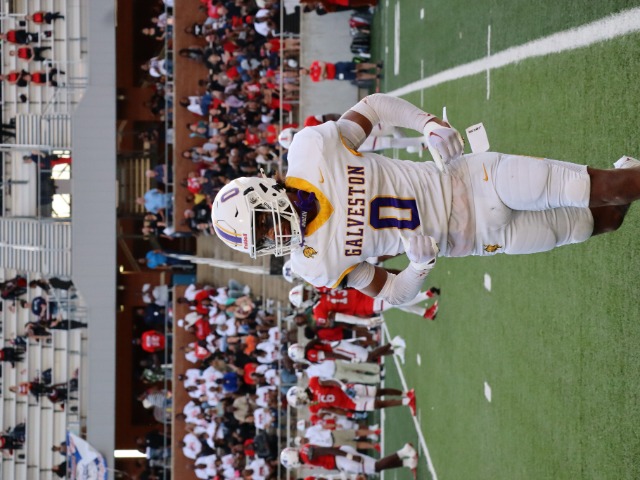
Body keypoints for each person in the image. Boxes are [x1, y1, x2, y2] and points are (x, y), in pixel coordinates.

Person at [211, 93, 640, 305]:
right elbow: (393, 293)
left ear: (262, 191)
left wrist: (428, 124)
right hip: (477, 240)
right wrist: (418, 268)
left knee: (594, 189)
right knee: (600, 221)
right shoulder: (314, 264)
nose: (273, 236)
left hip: (471, 180)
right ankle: (628, 175)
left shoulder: (311, 152)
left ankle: (625, 178)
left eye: (262, 223)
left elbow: (373, 107)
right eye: (262, 240)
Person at [279, 442, 417, 476]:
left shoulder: (306, 455)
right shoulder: (304, 451)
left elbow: (328, 450)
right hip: (341, 459)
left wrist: (350, 457)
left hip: (341, 458)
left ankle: (405, 451)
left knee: (376, 466)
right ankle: (408, 462)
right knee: (376, 468)